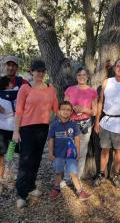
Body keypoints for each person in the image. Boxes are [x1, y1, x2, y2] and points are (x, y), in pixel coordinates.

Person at [13, 59, 58, 209]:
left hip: (43, 128)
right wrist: (15, 131)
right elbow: (18, 112)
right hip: (27, 129)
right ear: (31, 72)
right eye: (37, 70)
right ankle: (21, 194)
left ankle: (31, 186)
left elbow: (57, 109)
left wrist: (68, 119)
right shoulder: (25, 89)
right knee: (25, 161)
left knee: (37, 159)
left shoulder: (50, 89)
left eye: (42, 71)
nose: (40, 73)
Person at [94, 57, 120, 187]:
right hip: (106, 122)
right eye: (118, 66)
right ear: (114, 68)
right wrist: (97, 121)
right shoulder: (107, 82)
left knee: (119, 151)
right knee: (104, 150)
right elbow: (100, 102)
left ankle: (116, 175)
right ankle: (101, 174)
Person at [48, 101, 91, 201]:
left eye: (68, 110)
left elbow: (77, 140)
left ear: (71, 112)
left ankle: (80, 192)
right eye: (63, 109)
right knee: (59, 172)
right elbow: (51, 140)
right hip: (58, 154)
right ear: (58, 111)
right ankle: (56, 189)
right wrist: (50, 153)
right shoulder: (54, 125)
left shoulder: (73, 125)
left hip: (71, 154)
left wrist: (78, 153)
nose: (65, 112)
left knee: (73, 173)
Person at [64, 67, 97, 179]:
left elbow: (94, 111)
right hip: (70, 124)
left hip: (85, 126)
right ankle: (67, 178)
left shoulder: (92, 91)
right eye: (79, 75)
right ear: (76, 77)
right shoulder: (70, 90)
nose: (81, 77)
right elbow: (64, 108)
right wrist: (72, 109)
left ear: (88, 76)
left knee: (82, 153)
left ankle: (77, 178)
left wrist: (83, 109)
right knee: (69, 152)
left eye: (84, 75)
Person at [0, 76, 16, 184]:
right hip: (12, 128)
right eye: (11, 83)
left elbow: (2, 110)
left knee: (0, 153)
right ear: (7, 84)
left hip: (1, 128)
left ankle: (1, 175)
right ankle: (9, 172)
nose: (12, 84)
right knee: (10, 151)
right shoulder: (16, 93)